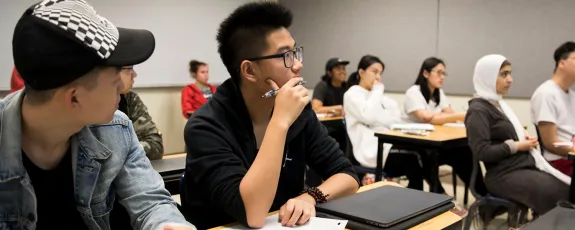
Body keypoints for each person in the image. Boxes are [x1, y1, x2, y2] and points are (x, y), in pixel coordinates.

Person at [0, 0, 195, 229]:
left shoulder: (117, 129)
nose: (122, 89)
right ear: (75, 98)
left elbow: (151, 202)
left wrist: (167, 225)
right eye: (115, 80)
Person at [181, 2, 360, 229]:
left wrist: (310, 196)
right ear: (249, 71)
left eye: (295, 52)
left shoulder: (299, 112)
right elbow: (252, 215)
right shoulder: (205, 126)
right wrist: (280, 122)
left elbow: (347, 175)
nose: (297, 65)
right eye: (286, 55)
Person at [465, 54, 570, 215]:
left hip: (520, 166)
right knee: (557, 194)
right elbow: (482, 152)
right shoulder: (478, 110)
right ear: (487, 77)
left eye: (509, 73)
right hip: (502, 175)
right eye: (503, 74)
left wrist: (521, 137)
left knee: (566, 188)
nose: (510, 79)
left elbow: (504, 134)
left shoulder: (498, 104)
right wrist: (516, 145)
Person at [403, 57, 487, 197]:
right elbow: (425, 118)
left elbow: (448, 115)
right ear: (426, 73)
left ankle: (483, 195)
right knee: (428, 155)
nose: (442, 77)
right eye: (439, 73)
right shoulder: (413, 92)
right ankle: (440, 194)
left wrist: (450, 117)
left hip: (435, 143)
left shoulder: (438, 93)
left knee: (465, 150)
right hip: (415, 146)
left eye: (444, 74)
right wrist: (461, 115)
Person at [344, 55, 425, 190]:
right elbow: (369, 116)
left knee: (423, 153)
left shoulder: (379, 97)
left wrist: (379, 117)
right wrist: (377, 91)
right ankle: (422, 201)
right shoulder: (352, 94)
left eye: (380, 73)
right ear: (361, 72)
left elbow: (394, 119)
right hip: (370, 150)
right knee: (414, 158)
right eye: (374, 72)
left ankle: (427, 197)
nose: (378, 77)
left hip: (387, 145)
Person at [531, 41, 575, 176]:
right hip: (560, 162)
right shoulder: (546, 93)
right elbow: (551, 143)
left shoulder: (572, 95)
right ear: (562, 63)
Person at [118, 65, 164, 160]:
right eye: (129, 69)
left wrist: (121, 152)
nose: (134, 74)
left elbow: (155, 146)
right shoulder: (87, 103)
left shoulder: (130, 99)